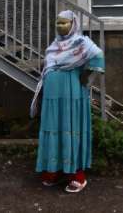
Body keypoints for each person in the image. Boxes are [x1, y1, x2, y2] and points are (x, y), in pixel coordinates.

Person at [30, 10, 104, 193]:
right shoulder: (55, 45)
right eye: (58, 23)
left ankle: (77, 175)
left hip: (72, 93)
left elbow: (98, 56)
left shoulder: (81, 42)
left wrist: (87, 75)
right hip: (53, 96)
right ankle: (54, 171)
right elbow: (48, 65)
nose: (60, 26)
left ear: (74, 24)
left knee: (72, 128)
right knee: (54, 128)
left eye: (64, 23)